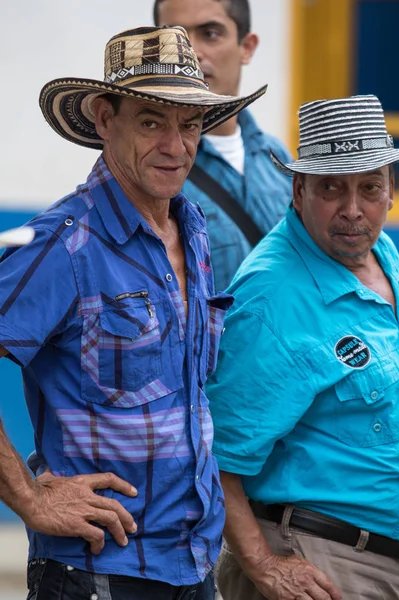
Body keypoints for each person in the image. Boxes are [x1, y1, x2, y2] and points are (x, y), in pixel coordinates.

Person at [0, 25, 267, 600]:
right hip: (99, 576)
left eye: (190, 125)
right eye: (151, 122)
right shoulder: (62, 243)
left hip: (194, 569)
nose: (176, 146)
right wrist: (28, 495)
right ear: (104, 119)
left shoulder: (191, 231)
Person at [207, 94, 399, 600]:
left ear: (391, 191)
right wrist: (265, 567)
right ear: (298, 190)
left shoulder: (381, 250)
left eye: (370, 187)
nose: (353, 210)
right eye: (331, 188)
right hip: (328, 565)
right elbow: (215, 457)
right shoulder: (272, 299)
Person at [153, 0, 293, 291]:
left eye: (211, 33)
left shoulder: (276, 156)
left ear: (247, 47)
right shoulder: (151, 163)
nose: (189, 53)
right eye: (173, 38)